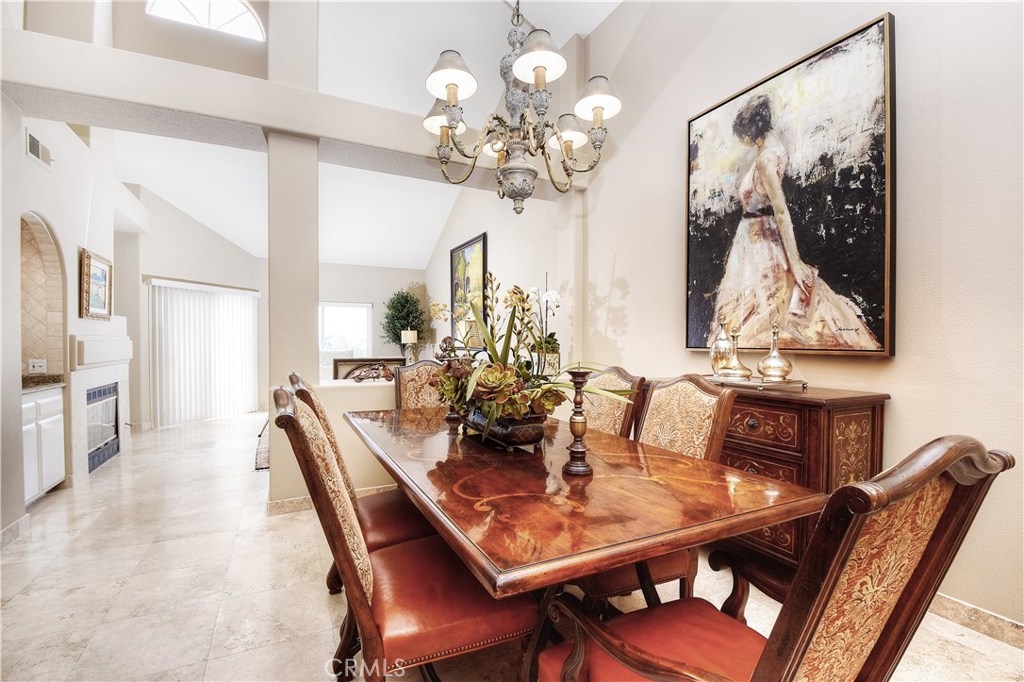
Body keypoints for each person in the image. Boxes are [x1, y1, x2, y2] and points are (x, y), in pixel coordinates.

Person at [708, 94, 881, 351]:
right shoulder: (770, 150)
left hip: (760, 243)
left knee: (763, 309)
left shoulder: (766, 158)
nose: (742, 140)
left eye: (742, 133)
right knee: (752, 309)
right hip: (753, 240)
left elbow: (781, 211)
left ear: (751, 130)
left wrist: (795, 260)